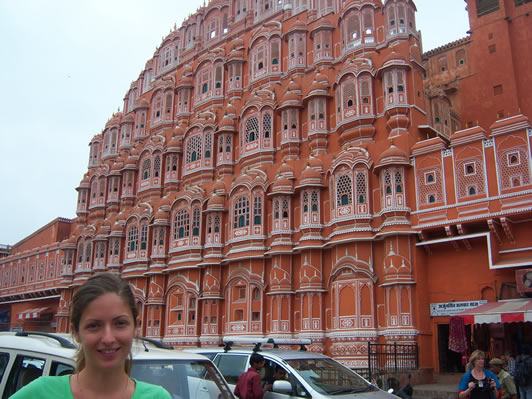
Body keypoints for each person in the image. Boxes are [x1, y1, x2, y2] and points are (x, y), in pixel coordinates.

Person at [11, 272, 171, 399]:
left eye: (120, 323)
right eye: (94, 326)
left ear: (136, 326)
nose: (108, 338)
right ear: (76, 333)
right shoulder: (41, 393)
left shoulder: (157, 396)